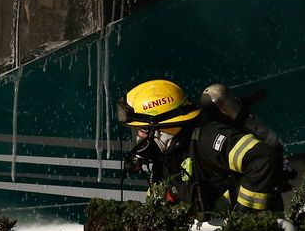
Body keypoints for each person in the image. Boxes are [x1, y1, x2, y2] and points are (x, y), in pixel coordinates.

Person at [118, 79, 284, 215]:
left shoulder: (207, 137)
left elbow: (261, 158)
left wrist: (245, 215)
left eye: (142, 131)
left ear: (164, 128)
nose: (139, 138)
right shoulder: (166, 157)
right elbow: (161, 198)